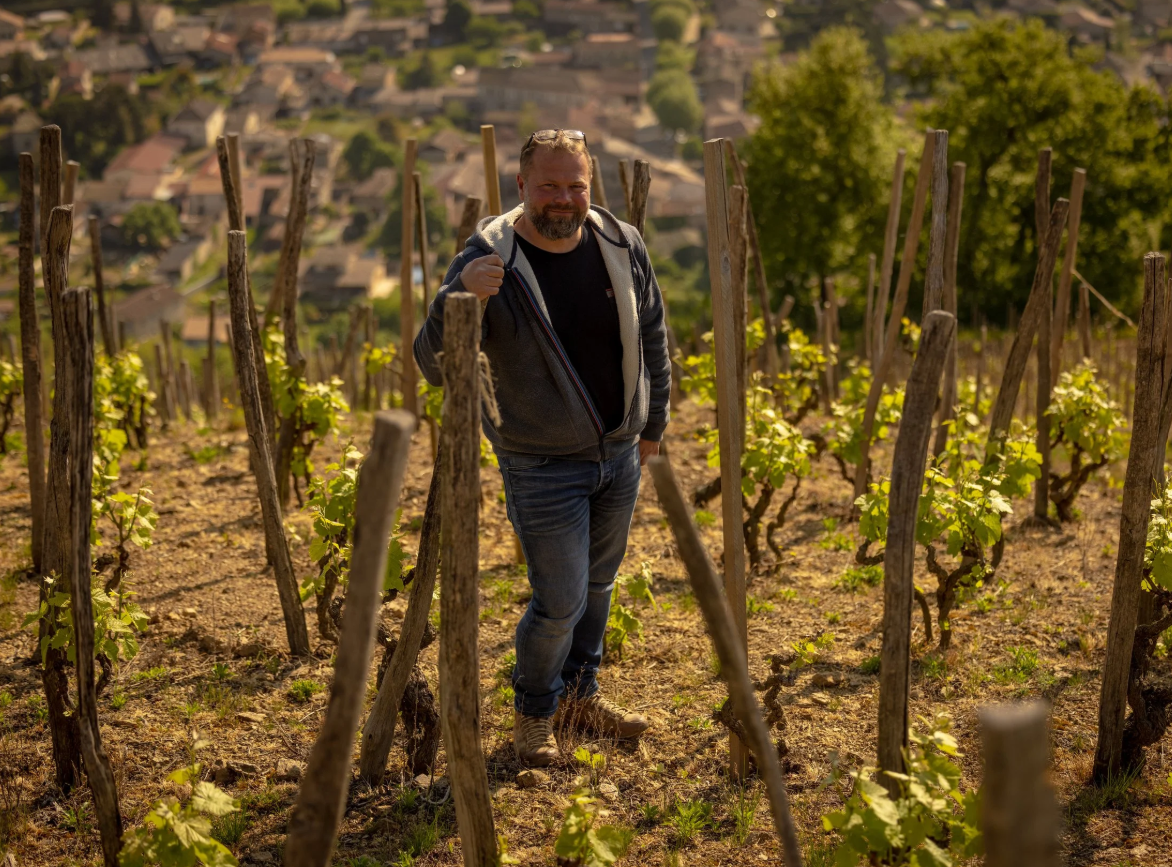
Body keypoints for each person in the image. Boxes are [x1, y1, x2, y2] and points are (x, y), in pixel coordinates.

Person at [414, 129, 671, 767]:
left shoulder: (621, 242)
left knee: (600, 584)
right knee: (560, 600)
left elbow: (654, 338)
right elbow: (432, 364)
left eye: (575, 185)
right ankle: (534, 712)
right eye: (550, 186)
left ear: (590, 186)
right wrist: (459, 298)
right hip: (541, 463)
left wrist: (652, 426)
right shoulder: (488, 260)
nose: (564, 199)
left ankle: (580, 700)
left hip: (618, 454)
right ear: (522, 186)